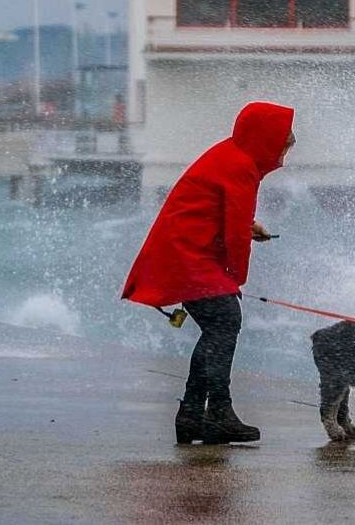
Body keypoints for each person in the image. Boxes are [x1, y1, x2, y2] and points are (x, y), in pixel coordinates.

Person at [120, 101, 295, 444]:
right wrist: (235, 279)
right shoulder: (241, 167)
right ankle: (218, 412)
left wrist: (248, 227)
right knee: (225, 321)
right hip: (187, 254)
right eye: (282, 147)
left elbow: (224, 215)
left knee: (219, 326)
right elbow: (232, 235)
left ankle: (191, 415)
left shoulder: (231, 156)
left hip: (185, 251)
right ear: (265, 140)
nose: (283, 157)